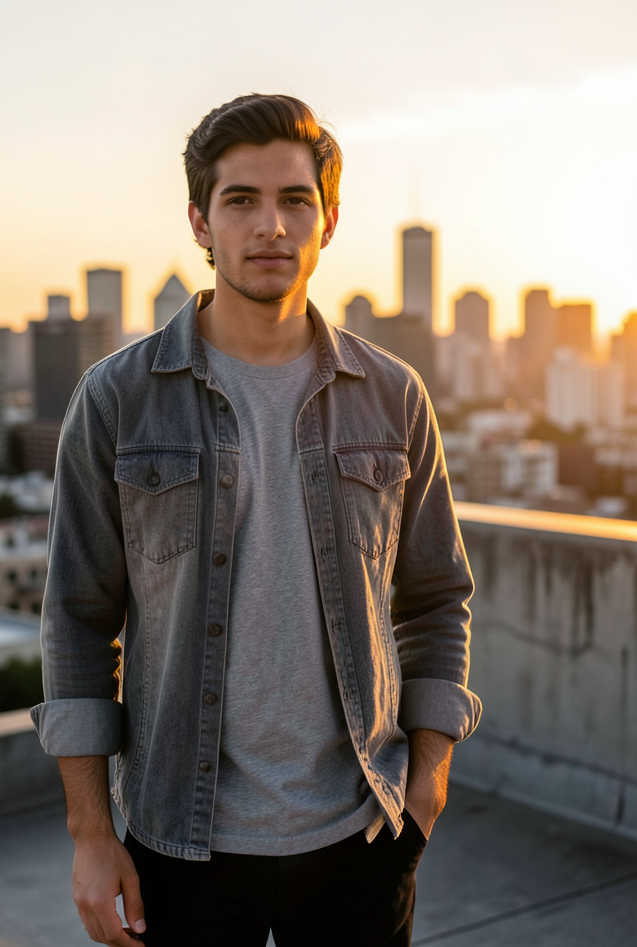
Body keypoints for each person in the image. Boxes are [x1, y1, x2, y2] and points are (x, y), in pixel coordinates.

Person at [31, 93, 482, 947]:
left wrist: (429, 778)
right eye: (241, 200)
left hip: (364, 834)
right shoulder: (117, 400)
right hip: (181, 840)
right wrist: (91, 835)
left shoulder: (393, 396)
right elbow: (78, 622)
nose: (270, 226)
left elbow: (436, 598)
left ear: (330, 219)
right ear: (200, 221)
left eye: (295, 201)